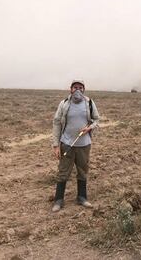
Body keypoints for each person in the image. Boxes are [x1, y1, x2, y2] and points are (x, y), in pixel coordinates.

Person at [51, 80, 99, 212]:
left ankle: (82, 197)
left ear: (84, 89)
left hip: (84, 145)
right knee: (63, 171)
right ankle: (58, 200)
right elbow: (56, 123)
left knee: (82, 171)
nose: (78, 90)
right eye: (75, 87)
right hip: (66, 144)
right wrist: (56, 145)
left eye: (80, 87)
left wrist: (89, 128)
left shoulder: (89, 103)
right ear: (70, 89)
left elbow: (96, 120)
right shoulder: (64, 104)